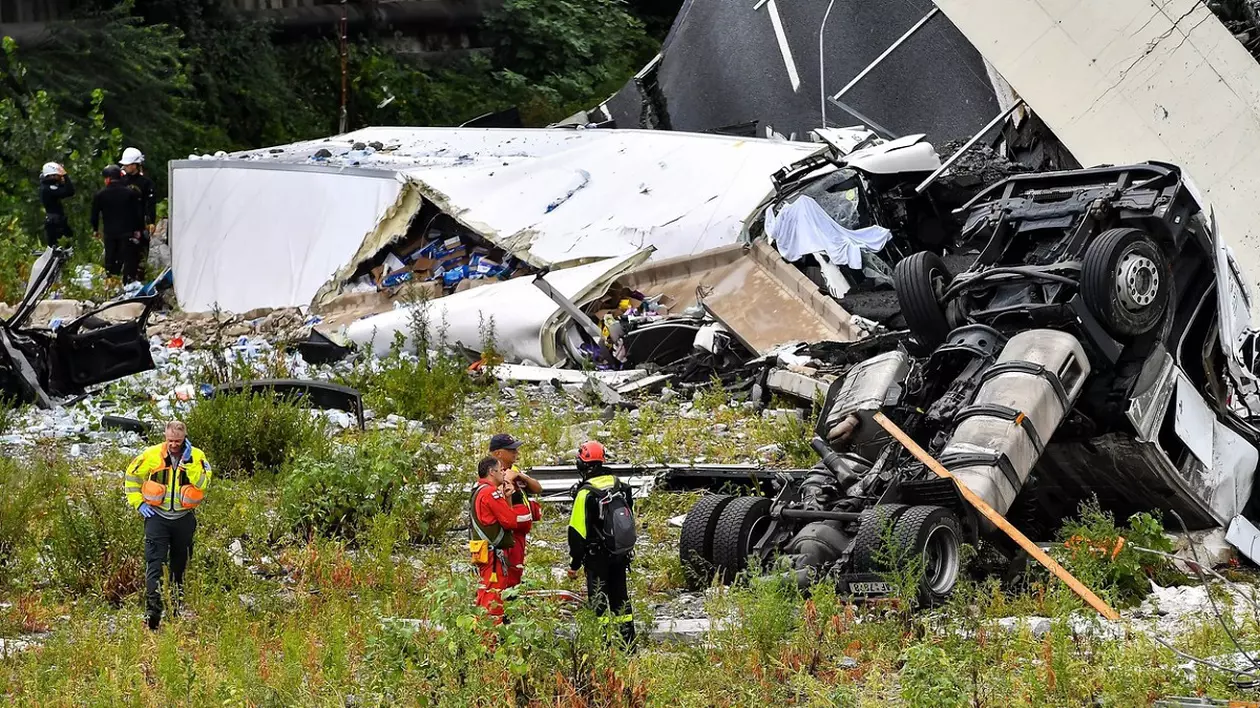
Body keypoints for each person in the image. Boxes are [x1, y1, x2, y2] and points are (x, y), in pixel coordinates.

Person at [123, 421, 212, 631]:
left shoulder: (197, 456)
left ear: (184, 438)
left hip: (184, 519)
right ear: (165, 437)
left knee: (179, 565)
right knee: (155, 564)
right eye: (170, 440)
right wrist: (139, 503)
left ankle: (175, 610)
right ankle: (153, 614)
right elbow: (131, 477)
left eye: (178, 441)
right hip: (157, 518)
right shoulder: (151, 455)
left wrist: (189, 463)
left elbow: (204, 484)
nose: (173, 445)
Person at [567, 440, 637, 645]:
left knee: (599, 602)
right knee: (621, 600)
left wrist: (574, 565)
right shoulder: (620, 486)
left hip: (596, 557)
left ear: (582, 464)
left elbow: (577, 533)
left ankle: (604, 647)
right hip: (619, 552)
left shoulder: (585, 493)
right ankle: (628, 645)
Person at [469, 456, 532, 622]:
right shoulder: (490, 493)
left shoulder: (477, 489)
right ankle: (489, 642)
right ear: (491, 472)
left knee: (485, 592)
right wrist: (509, 502)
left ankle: (481, 634)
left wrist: (507, 497)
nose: (504, 473)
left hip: (484, 551)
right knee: (493, 596)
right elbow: (510, 521)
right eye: (500, 470)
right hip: (494, 556)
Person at [488, 433, 542, 588]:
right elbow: (496, 501)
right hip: (506, 533)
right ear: (498, 453)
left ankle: (513, 597)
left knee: (516, 569)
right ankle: (505, 603)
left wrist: (521, 476)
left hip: (519, 533)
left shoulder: (514, 470)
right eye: (511, 450)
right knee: (506, 570)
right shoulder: (491, 473)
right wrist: (507, 480)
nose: (516, 453)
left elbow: (538, 488)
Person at [91, 164, 145, 284]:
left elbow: (94, 214)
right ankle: (127, 282)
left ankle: (111, 281)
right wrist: (138, 229)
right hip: (127, 231)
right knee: (128, 258)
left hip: (110, 232)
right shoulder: (130, 193)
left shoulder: (100, 194)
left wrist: (95, 229)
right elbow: (137, 213)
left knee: (110, 257)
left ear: (107, 179)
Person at [39, 162, 76, 248]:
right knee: (61, 246)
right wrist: (65, 176)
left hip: (54, 220)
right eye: (57, 175)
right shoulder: (48, 188)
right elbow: (69, 191)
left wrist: (61, 181)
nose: (59, 177)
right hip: (55, 222)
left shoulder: (47, 186)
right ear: (51, 175)